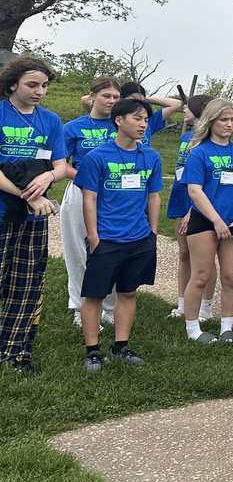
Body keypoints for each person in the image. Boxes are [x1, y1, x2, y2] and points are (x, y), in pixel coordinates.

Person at [75, 98, 162, 373]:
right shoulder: (97, 157)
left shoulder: (151, 156)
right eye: (137, 118)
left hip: (139, 238)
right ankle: (92, 351)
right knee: (94, 295)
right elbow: (89, 199)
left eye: (146, 120)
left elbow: (154, 195)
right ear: (119, 121)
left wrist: (153, 232)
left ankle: (120, 346)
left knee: (128, 292)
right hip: (107, 238)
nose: (143, 124)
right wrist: (94, 237)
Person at [0, 56, 66, 374]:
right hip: (4, 210)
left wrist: (48, 179)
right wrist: (29, 195)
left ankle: (14, 352)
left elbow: (61, 165)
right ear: (13, 84)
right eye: (32, 84)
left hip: (33, 217)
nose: (40, 91)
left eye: (44, 85)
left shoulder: (50, 121)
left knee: (26, 283)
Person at [180, 99, 233, 344]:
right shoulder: (199, 152)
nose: (229, 125)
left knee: (231, 276)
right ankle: (193, 329)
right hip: (205, 221)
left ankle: (227, 328)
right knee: (201, 275)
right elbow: (194, 191)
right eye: (224, 120)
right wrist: (217, 221)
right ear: (211, 121)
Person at [63, 77, 122, 327]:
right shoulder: (73, 127)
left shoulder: (121, 126)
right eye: (106, 95)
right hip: (81, 190)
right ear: (93, 97)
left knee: (112, 248)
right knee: (78, 248)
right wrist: (89, 178)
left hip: (115, 194)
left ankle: (108, 306)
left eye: (116, 97)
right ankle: (79, 306)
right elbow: (60, 165)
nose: (111, 101)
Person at [165, 95, 215, 321]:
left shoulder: (209, 139)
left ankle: (205, 306)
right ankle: (182, 304)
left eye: (189, 106)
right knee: (184, 253)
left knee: (204, 258)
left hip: (198, 201)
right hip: (180, 196)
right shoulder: (186, 136)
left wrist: (193, 209)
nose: (185, 108)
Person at [118, 82, 183, 143]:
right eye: (133, 100)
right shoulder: (113, 119)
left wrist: (146, 99)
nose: (137, 105)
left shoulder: (149, 121)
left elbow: (176, 104)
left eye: (141, 102)